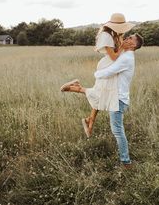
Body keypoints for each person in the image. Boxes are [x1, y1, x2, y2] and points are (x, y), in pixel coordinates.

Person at [62, 33, 144, 167]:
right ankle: (76, 89)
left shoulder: (127, 57)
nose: (127, 38)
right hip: (114, 95)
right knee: (98, 97)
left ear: (134, 45)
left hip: (118, 99)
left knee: (117, 130)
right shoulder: (124, 55)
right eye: (128, 36)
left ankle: (126, 161)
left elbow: (108, 72)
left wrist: (96, 73)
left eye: (130, 38)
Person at [60, 13, 135, 137]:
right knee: (100, 94)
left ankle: (90, 122)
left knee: (102, 94)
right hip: (107, 65)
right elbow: (114, 56)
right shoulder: (106, 35)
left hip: (112, 65)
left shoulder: (115, 34)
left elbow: (118, 54)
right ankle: (70, 88)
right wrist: (122, 47)